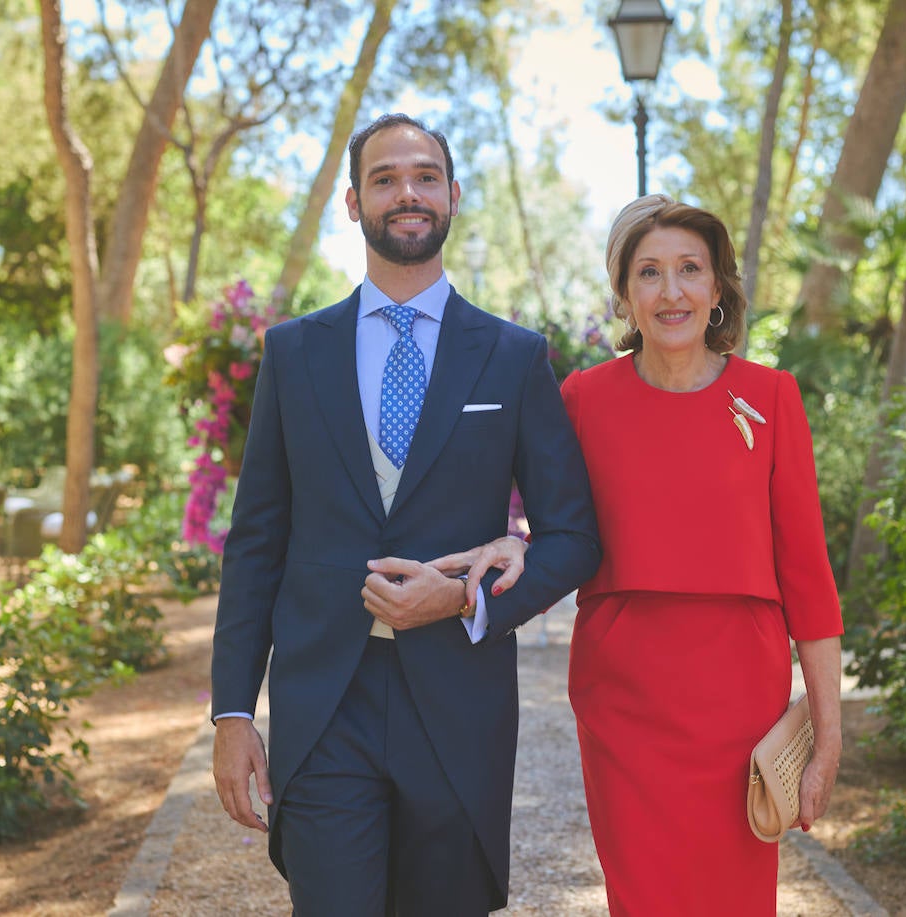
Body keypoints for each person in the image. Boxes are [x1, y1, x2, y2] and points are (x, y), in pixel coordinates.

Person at [209, 113, 601, 916]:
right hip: (326, 705)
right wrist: (233, 711)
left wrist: (466, 598)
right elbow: (256, 543)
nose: (407, 193)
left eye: (424, 176)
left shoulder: (514, 355)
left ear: (453, 196)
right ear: (353, 204)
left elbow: (573, 537)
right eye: (384, 178)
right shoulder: (293, 353)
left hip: (457, 703)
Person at [447, 195, 845, 915]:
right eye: (650, 272)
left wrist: (827, 740)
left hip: (740, 700)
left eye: (690, 269)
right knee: (644, 896)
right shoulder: (580, 398)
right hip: (623, 695)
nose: (672, 291)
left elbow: (810, 582)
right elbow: (555, 526)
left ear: (716, 287)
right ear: (625, 293)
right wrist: (512, 540)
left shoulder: (773, 397)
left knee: (734, 899)